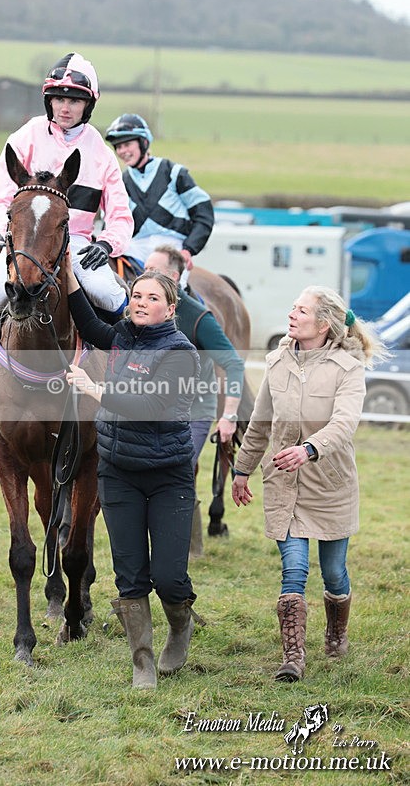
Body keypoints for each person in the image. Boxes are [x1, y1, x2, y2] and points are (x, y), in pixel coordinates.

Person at [231, 286, 387, 682]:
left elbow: (344, 424)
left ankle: (336, 633)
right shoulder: (277, 362)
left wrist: (310, 450)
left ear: (323, 323)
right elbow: (261, 422)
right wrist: (242, 469)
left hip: (331, 484)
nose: (292, 314)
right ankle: (293, 657)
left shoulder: (348, 368)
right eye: (293, 308)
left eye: (302, 310)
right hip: (285, 482)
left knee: (334, 573)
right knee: (294, 570)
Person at [0, 52, 134, 393]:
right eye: (59, 99)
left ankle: (118, 358)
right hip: (23, 239)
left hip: (77, 240)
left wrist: (108, 244)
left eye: (75, 100)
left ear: (88, 105)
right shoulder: (25, 136)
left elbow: (122, 216)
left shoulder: (100, 151)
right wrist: (12, 233)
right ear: (48, 101)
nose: (65, 107)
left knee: (110, 295)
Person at [64, 258, 202, 689]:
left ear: (170, 307)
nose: (142, 303)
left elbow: (150, 407)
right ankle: (142, 661)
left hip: (168, 477)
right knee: (129, 573)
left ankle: (180, 626)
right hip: (118, 472)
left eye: (152, 297)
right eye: (137, 296)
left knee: (168, 576)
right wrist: (66, 268)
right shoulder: (122, 336)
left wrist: (95, 389)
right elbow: (85, 318)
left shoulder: (181, 352)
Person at [144, 244, 245, 557]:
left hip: (193, 412)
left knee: (175, 472)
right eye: (144, 270)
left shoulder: (199, 317)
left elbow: (233, 363)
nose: (145, 276)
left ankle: (186, 549)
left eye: (154, 272)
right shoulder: (139, 310)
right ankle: (184, 546)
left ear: (174, 277)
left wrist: (228, 414)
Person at [105, 113, 214, 284]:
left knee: (169, 288)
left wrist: (188, 249)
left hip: (172, 248)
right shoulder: (120, 181)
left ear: (144, 142)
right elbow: (111, 223)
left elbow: (204, 213)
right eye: (118, 147)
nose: (122, 151)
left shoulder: (173, 172)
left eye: (127, 144)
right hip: (134, 249)